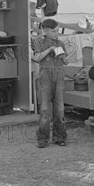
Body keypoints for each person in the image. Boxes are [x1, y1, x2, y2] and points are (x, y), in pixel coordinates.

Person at [31, 18, 68, 148]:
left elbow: (66, 62)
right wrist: (49, 49)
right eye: (54, 31)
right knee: (45, 109)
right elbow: (36, 58)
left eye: (58, 31)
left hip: (59, 76)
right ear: (45, 31)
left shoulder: (61, 43)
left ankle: (60, 137)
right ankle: (42, 138)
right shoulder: (38, 42)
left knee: (60, 108)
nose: (56, 33)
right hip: (44, 76)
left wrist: (64, 58)